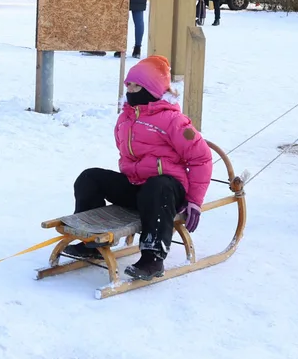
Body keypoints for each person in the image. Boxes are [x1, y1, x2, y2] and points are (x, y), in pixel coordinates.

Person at [69, 56, 211, 280]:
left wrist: (194, 201)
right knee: (89, 178)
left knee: (157, 186)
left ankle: (153, 258)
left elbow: (201, 158)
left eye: (137, 86)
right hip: (136, 186)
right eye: (129, 85)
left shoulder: (174, 121)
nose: (130, 90)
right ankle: (93, 241)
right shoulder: (126, 118)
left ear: (151, 89)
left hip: (166, 191)